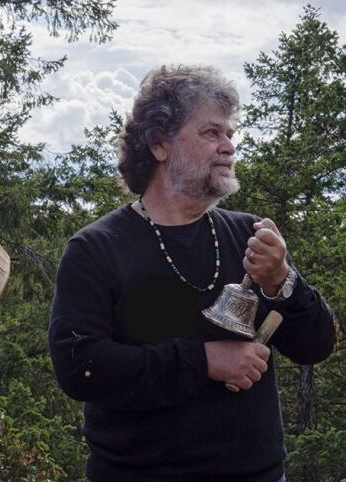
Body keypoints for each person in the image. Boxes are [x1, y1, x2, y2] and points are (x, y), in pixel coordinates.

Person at [48, 65, 336, 482]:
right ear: (160, 144)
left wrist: (282, 281)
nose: (228, 147)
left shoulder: (249, 236)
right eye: (211, 133)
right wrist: (205, 362)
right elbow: (80, 366)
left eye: (230, 135)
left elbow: (317, 345)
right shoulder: (97, 248)